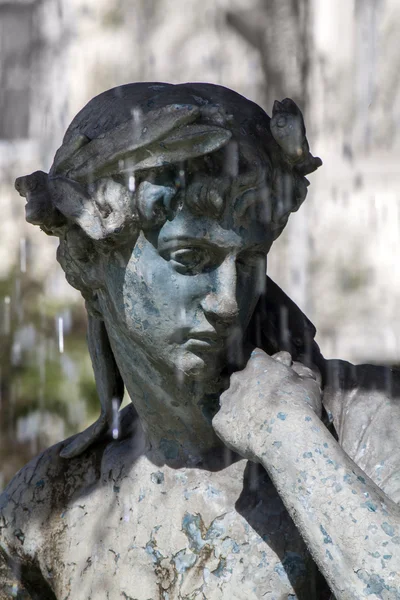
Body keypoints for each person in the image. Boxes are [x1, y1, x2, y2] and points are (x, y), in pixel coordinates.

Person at [1, 82, 399, 600]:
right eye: (191, 259)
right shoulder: (47, 507)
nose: (228, 300)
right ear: (87, 262)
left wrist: (296, 443)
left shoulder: (367, 423)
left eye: (250, 259)